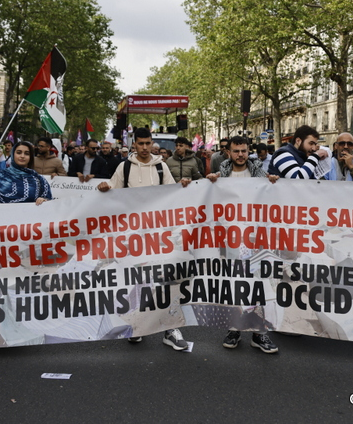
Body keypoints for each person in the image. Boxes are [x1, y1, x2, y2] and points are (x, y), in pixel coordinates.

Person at [97, 127, 191, 351]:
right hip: (133, 238)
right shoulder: (125, 166)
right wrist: (104, 187)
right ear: (134, 144)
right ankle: (138, 326)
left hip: (159, 236)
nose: (145, 148)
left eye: (148, 143)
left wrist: (183, 186)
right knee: (138, 281)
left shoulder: (161, 166)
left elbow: (172, 194)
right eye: (141, 144)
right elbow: (113, 189)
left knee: (165, 281)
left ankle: (170, 329)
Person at [206, 136, 279, 354]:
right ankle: (234, 329)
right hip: (232, 240)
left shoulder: (259, 172)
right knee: (234, 285)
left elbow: (272, 195)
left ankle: (260, 334)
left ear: (249, 152)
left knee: (258, 284)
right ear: (228, 152)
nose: (240, 155)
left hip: (255, 239)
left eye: (244, 151)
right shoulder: (221, 174)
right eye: (236, 151)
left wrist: (273, 182)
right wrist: (208, 183)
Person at [0, 141, 51, 205]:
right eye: (19, 152)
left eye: (27, 153)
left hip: (29, 221)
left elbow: (48, 201)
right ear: (13, 154)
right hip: (4, 221)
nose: (22, 156)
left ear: (31, 157)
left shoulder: (39, 180)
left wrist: (43, 200)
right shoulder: (1, 176)